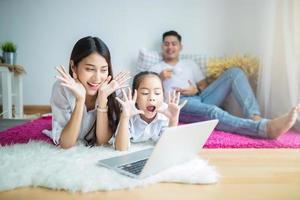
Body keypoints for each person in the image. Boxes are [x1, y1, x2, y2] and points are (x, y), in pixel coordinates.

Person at [150, 30, 300, 139]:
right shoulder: (156, 69)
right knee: (212, 112)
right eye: (166, 44)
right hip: (179, 103)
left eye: (174, 44)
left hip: (199, 96)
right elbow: (153, 99)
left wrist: (195, 89)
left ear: (180, 46)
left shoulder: (190, 64)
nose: (170, 47)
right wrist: (160, 79)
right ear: (162, 47)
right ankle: (263, 128)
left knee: (235, 73)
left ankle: (255, 116)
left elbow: (204, 86)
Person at [42, 36, 130, 149]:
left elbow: (102, 142)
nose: (97, 78)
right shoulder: (62, 88)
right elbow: (66, 144)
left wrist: (103, 99)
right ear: (73, 67)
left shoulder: (113, 90)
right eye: (90, 69)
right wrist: (80, 100)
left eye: (103, 70)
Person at [113, 71, 187, 151]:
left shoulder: (166, 111)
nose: (152, 97)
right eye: (145, 93)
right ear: (135, 96)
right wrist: (125, 117)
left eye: (157, 93)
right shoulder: (128, 111)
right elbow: (121, 148)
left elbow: (168, 146)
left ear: (163, 96)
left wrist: (173, 120)